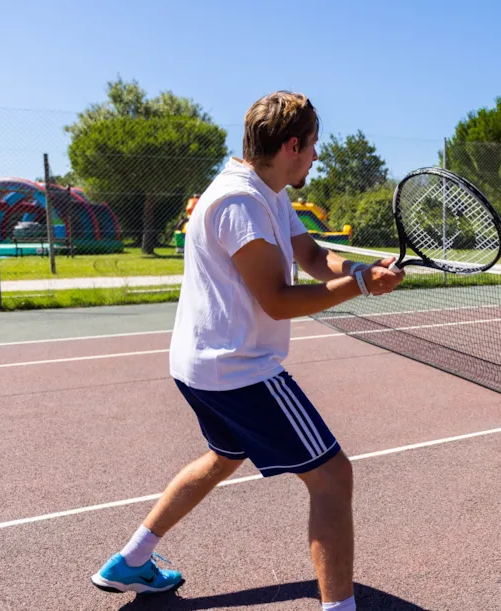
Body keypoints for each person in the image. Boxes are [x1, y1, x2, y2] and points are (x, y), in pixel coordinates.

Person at [90, 91, 404, 611]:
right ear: (292, 145)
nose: (316, 157)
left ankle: (131, 561)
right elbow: (278, 301)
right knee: (332, 477)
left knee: (224, 455)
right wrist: (363, 288)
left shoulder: (270, 191)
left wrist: (354, 272)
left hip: (200, 364)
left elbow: (310, 254)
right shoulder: (239, 202)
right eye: (313, 147)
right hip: (236, 369)